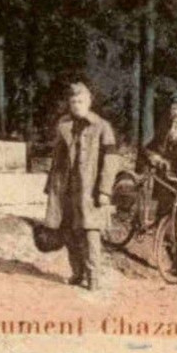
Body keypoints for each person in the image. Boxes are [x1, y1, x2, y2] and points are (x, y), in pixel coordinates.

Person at [43, 82, 118, 290]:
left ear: (89, 102)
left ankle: (93, 278)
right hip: (65, 187)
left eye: (80, 101)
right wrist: (51, 186)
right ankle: (77, 273)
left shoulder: (102, 126)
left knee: (90, 232)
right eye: (73, 101)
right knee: (68, 231)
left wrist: (104, 190)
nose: (76, 105)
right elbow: (57, 157)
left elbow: (111, 160)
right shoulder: (63, 124)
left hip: (90, 189)